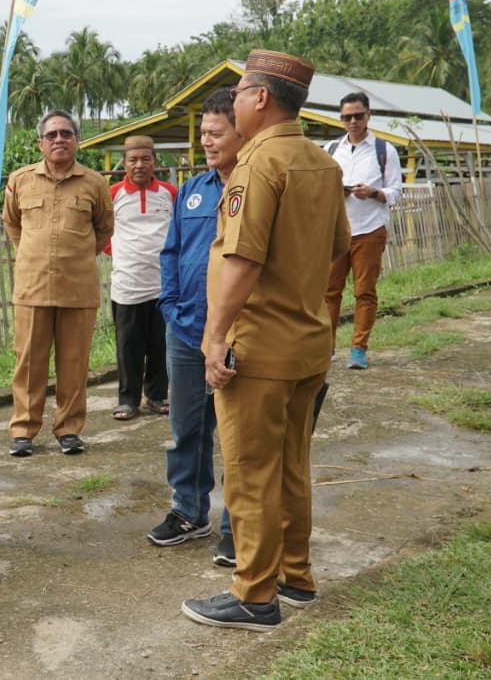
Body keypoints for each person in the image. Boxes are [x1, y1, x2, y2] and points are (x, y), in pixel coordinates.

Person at [182, 51, 349, 632]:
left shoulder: (256, 167)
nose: (237, 101)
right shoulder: (321, 162)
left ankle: (254, 595)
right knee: (292, 466)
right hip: (307, 343)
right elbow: (336, 248)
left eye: (242, 91)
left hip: (258, 348)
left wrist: (214, 336)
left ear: (259, 98)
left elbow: (243, 259)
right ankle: (294, 576)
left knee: (250, 472)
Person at [147, 89, 243, 553]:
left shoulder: (253, 189)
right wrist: (170, 305)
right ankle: (189, 510)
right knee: (187, 428)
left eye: (216, 133)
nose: (206, 141)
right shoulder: (192, 190)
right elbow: (171, 251)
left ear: (241, 132)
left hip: (238, 334)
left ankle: (236, 527)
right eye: (203, 133)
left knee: (237, 435)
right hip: (185, 330)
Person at [2, 110, 114, 457]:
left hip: (77, 289)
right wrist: (35, 255)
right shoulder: (20, 180)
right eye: (51, 135)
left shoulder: (94, 183)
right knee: (29, 363)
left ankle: (68, 429)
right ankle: (23, 430)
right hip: (32, 287)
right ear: (40, 143)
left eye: (66, 133)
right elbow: (12, 224)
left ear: (77, 140)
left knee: (74, 363)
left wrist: (73, 255)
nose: (59, 140)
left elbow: (104, 230)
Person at [324, 92, 402, 370]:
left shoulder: (384, 150)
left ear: (369, 115)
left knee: (364, 291)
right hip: (336, 229)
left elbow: (396, 192)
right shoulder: (332, 149)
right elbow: (320, 187)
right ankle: (327, 347)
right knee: (328, 292)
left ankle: (358, 348)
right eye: (347, 117)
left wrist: (373, 193)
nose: (353, 121)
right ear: (341, 119)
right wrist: (337, 192)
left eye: (358, 115)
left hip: (370, 229)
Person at [106, 135, 177, 420]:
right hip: (127, 284)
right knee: (128, 345)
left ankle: (157, 396)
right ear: (124, 163)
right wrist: (120, 251)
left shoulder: (170, 193)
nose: (139, 165)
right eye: (133, 160)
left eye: (145, 159)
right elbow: (100, 230)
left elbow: (179, 231)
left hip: (164, 285)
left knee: (161, 344)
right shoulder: (112, 193)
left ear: (154, 162)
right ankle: (128, 400)